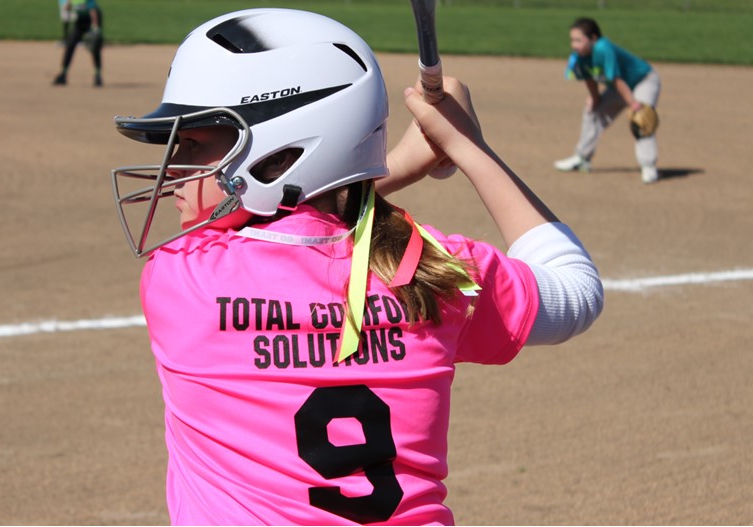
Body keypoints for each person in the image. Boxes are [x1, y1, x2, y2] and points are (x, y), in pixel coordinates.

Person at [108, 8, 603, 524]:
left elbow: (284, 236)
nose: (174, 171)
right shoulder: (432, 270)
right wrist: (468, 147)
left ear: (277, 153)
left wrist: (401, 167)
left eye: (194, 143)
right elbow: (577, 291)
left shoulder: (181, 279)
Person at [554, 17, 662, 184]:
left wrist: (634, 104)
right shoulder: (580, 56)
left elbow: (617, 79)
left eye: (578, 40)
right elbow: (589, 79)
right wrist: (595, 100)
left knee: (640, 118)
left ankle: (648, 165)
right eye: (572, 40)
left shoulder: (603, 48)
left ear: (593, 38)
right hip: (621, 86)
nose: (574, 44)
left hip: (644, 80)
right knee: (592, 111)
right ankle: (582, 158)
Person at [52, 0, 103, 87]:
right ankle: (63, 74)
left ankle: (97, 75)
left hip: (93, 20)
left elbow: (93, 11)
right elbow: (68, 7)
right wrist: (67, 6)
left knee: (95, 47)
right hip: (80, 21)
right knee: (70, 44)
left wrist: (95, 28)